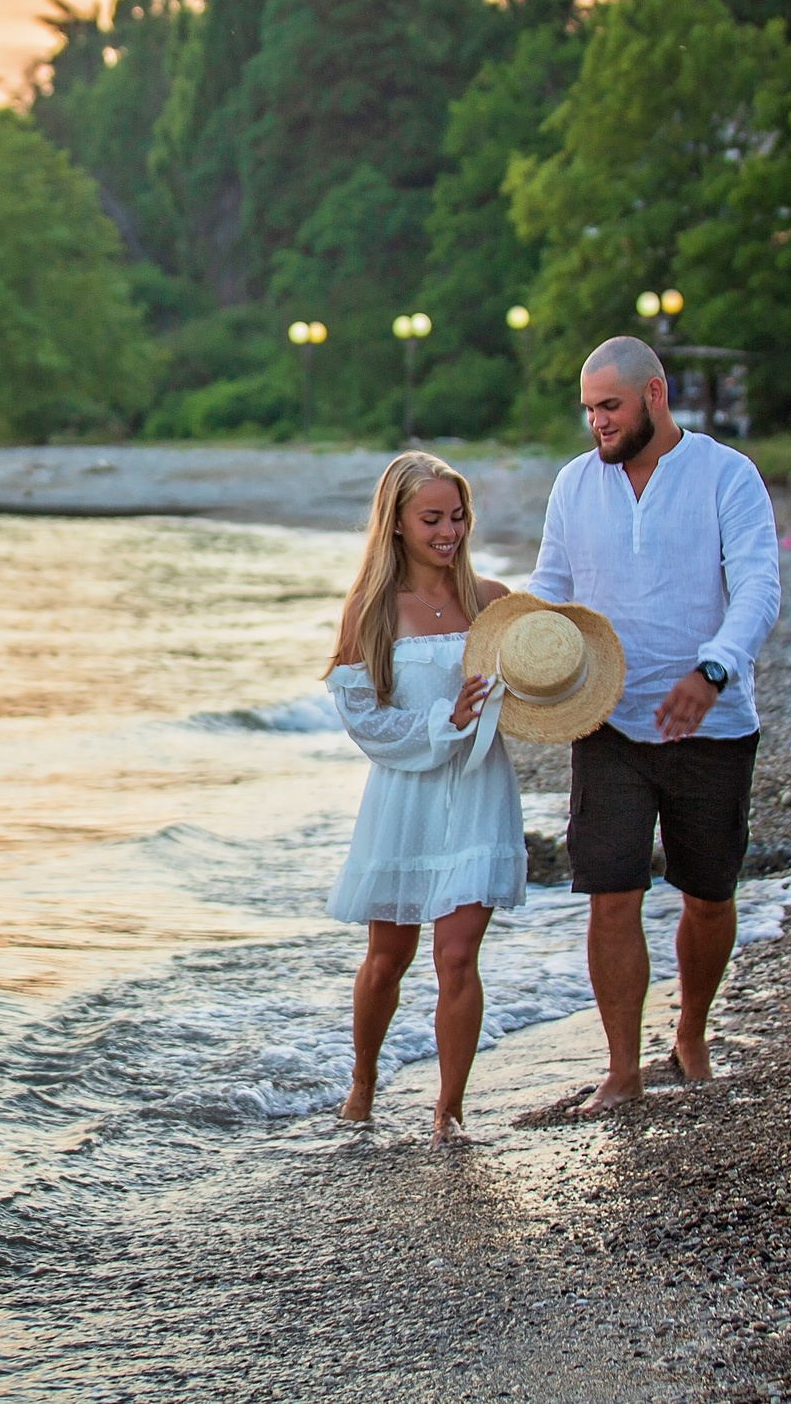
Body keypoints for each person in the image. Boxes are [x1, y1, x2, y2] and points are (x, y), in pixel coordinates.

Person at [529, 335, 781, 1115]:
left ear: (655, 394)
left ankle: (692, 1034)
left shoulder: (726, 475)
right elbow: (550, 589)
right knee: (612, 892)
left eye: (610, 406)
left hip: (712, 722)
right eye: (589, 409)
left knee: (708, 893)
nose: (598, 423)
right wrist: (509, 645)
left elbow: (760, 588)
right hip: (605, 721)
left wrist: (713, 671)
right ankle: (622, 1067)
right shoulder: (574, 484)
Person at [323, 452, 522, 1141]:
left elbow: (536, 685)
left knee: (457, 956)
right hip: (405, 795)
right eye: (432, 517)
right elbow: (366, 723)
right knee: (389, 956)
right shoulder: (371, 611)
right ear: (398, 523)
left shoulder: (491, 600)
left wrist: (511, 698)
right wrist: (449, 720)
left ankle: (449, 1108)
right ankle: (364, 1078)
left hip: (477, 790)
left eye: (458, 514)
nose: (449, 530)